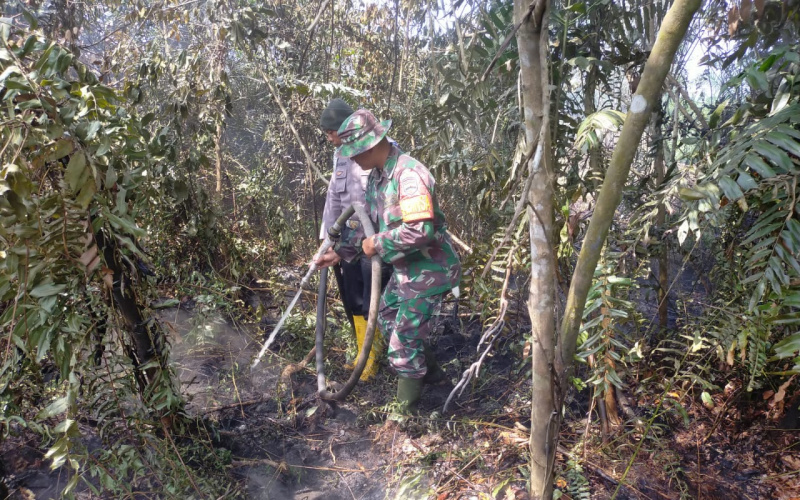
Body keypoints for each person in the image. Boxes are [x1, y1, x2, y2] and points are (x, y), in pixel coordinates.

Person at [316, 109, 461, 417]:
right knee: (387, 316)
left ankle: (404, 415)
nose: (352, 160)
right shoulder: (379, 179)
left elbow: (421, 230)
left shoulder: (409, 175)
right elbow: (370, 227)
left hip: (431, 269)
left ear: (371, 146)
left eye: (355, 153)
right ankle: (433, 377)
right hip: (407, 269)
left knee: (403, 340)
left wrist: (377, 244)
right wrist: (340, 252)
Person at [318, 98, 391, 381]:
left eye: (330, 132)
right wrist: (328, 240)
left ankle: (380, 358)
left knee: (375, 301)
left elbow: (374, 205)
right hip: (349, 241)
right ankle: (365, 357)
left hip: (376, 241)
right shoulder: (340, 155)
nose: (329, 138)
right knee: (353, 298)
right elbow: (334, 198)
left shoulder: (374, 148)